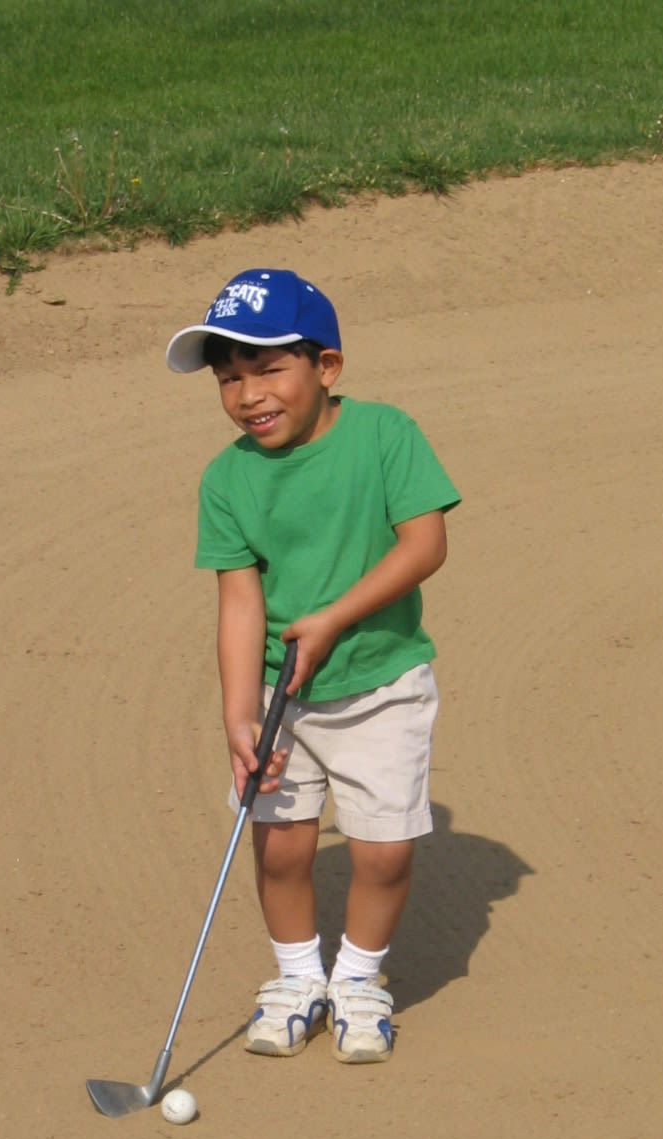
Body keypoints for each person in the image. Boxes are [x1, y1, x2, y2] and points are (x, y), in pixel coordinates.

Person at [166, 267, 459, 1064]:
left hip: (382, 683)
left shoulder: (385, 435)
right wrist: (237, 714)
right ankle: (298, 978)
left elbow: (424, 544)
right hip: (278, 693)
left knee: (383, 850)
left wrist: (332, 618)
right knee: (284, 846)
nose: (247, 394)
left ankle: (359, 979)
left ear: (325, 368)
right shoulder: (226, 480)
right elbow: (239, 602)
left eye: (267, 370)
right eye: (229, 379)